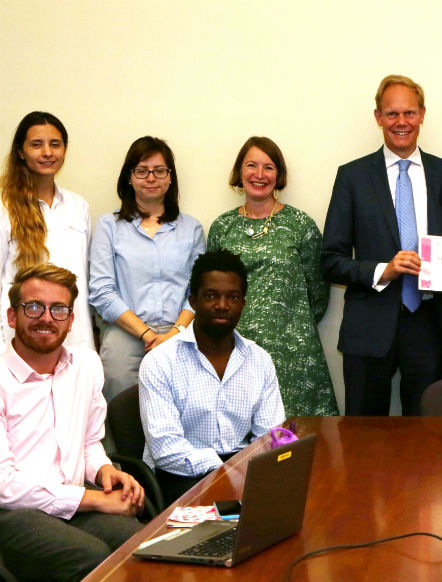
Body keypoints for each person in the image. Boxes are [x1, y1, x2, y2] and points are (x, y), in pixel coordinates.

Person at [321, 74, 442, 416]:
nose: (402, 122)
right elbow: (330, 259)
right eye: (392, 114)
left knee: (429, 441)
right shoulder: (352, 177)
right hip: (369, 328)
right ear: (378, 117)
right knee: (364, 443)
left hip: (430, 327)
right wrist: (383, 270)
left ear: (423, 115)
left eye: (409, 113)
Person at [0, 263, 143, 582]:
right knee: (90, 557)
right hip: (13, 514)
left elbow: (90, 442)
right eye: (34, 306)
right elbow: (4, 485)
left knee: (143, 542)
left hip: (72, 504)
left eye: (59, 309)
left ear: (71, 320)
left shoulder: (86, 366)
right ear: (12, 316)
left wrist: (106, 470)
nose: (47, 318)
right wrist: (91, 499)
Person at [139, 250, 285, 504]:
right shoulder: (160, 362)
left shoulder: (260, 360)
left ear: (243, 303)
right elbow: (166, 450)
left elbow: (271, 436)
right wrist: (228, 471)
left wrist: (254, 468)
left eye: (233, 297)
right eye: (211, 296)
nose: (222, 305)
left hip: (242, 469)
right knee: (234, 521)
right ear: (193, 301)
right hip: (182, 476)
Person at [208, 136, 336, 417]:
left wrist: (285, 325)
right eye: (251, 165)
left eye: (268, 167)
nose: (259, 174)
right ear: (239, 172)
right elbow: (211, 292)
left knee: (298, 443)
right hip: (234, 353)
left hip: (294, 356)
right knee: (242, 443)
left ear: (279, 175)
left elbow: (318, 293)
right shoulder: (222, 227)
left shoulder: (300, 224)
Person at [88, 136, 205, 401]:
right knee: (122, 411)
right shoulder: (109, 226)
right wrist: (147, 334)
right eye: (141, 171)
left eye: (159, 171)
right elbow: (101, 291)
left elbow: (197, 291)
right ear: (129, 177)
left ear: (170, 177)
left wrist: (174, 333)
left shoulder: (192, 229)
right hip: (124, 333)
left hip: (180, 332)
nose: (151, 178)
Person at [0, 111, 94, 352]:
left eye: (55, 144)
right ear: (20, 152)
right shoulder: (4, 205)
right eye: (36, 145)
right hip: (19, 337)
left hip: (75, 334)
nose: (47, 153)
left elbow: (84, 273)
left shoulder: (78, 206)